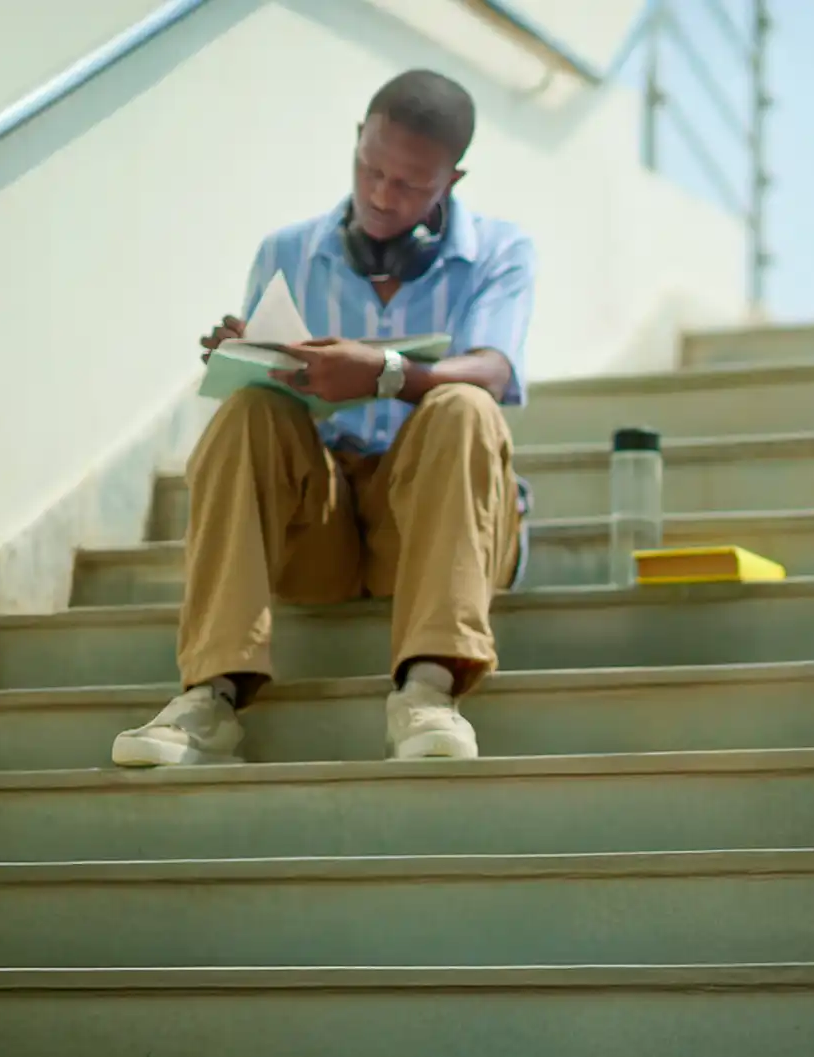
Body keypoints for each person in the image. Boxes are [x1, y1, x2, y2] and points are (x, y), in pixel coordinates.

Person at [111, 69, 536, 768]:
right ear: (359, 139)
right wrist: (251, 357)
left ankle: (428, 692)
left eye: (410, 184)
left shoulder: (501, 251)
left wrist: (384, 373)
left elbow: (494, 368)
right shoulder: (284, 253)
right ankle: (210, 697)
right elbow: (258, 423)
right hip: (321, 529)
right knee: (249, 410)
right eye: (370, 168)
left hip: (437, 523)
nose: (381, 195)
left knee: (465, 404)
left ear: (452, 180)